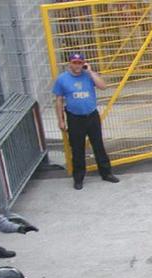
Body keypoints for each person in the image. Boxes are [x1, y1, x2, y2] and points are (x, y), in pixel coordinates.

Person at [52, 53, 118, 190]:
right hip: (75, 118)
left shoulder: (88, 75)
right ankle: (78, 178)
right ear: (70, 63)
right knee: (77, 149)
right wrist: (61, 120)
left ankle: (106, 173)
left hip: (91, 116)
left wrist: (90, 71)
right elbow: (59, 100)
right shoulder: (62, 79)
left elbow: (103, 86)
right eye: (75, 63)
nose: (77, 65)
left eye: (80, 63)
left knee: (98, 145)